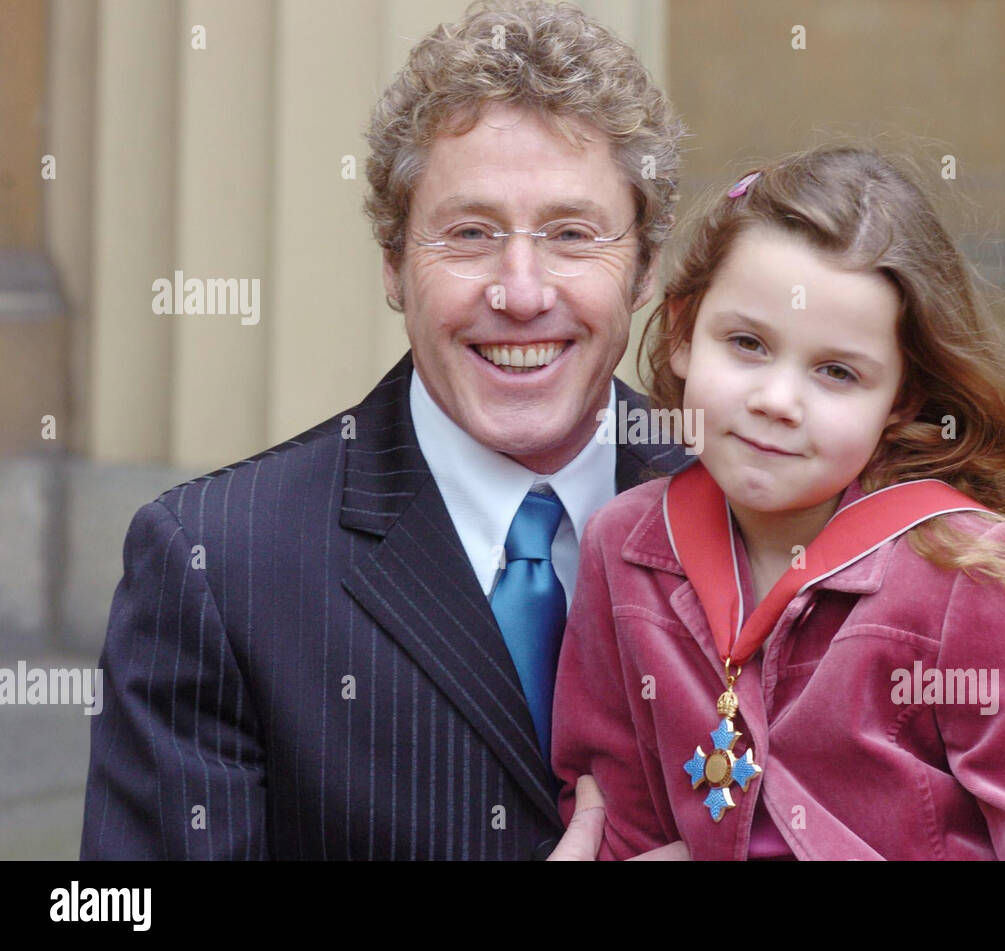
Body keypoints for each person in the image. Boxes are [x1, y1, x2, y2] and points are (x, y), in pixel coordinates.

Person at [80, 0, 692, 861]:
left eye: (570, 234)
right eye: (470, 233)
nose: (521, 293)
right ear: (395, 265)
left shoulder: (752, 513)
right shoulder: (215, 561)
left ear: (645, 270)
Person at [551, 146, 1005, 860]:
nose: (776, 401)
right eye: (747, 343)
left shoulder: (976, 576)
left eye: (836, 372)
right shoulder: (623, 547)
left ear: (901, 400)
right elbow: (618, 812)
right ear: (682, 332)